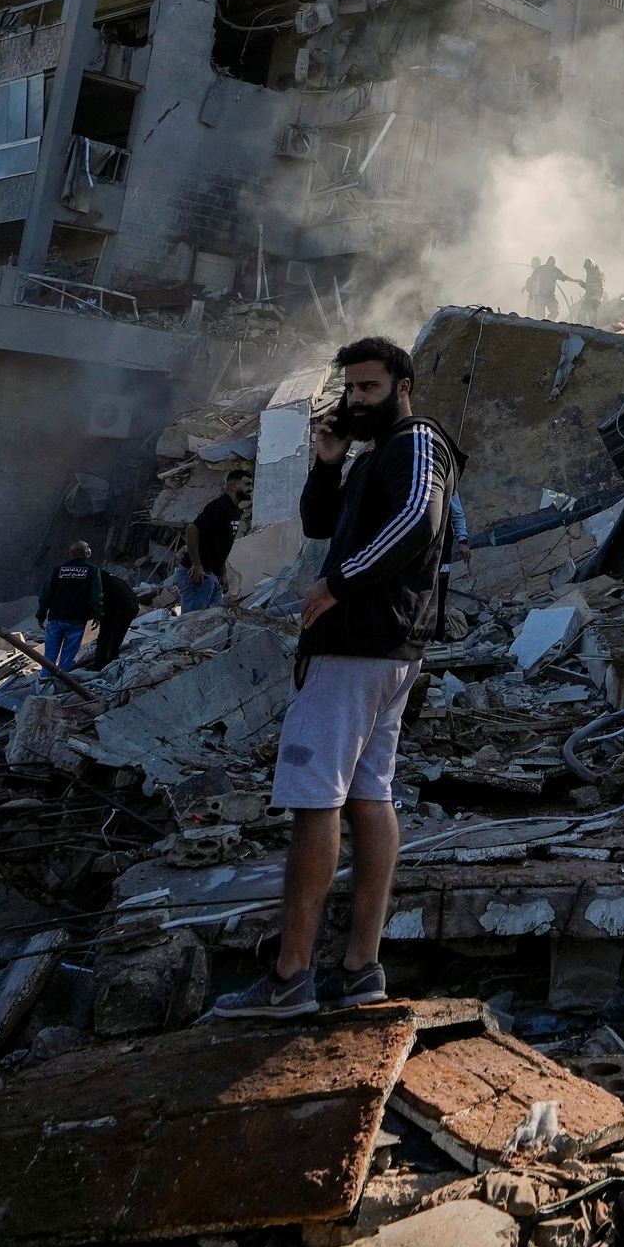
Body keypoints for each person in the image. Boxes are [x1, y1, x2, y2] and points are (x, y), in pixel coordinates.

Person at [216, 334, 451, 1019]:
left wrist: (338, 586)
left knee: (316, 800)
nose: (355, 399)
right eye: (349, 388)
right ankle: (359, 969)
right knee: (368, 795)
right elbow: (321, 524)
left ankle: (290, 976)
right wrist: (328, 462)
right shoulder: (376, 454)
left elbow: (418, 520)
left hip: (358, 645)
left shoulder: (416, 441)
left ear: (402, 387)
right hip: (380, 647)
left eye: (368, 387)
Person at [36, 541, 100, 673]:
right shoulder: (92, 571)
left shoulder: (58, 570)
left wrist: (41, 615)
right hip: (77, 620)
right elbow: (96, 595)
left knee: (50, 653)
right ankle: (62, 680)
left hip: (56, 618)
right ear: (87, 553)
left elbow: (46, 595)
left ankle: (44, 679)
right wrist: (97, 615)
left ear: (71, 554)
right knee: (68, 655)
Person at [183, 473, 244, 612]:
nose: (250, 488)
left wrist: (222, 572)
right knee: (193, 624)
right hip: (200, 575)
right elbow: (191, 530)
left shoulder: (234, 511)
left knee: (212, 622)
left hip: (214, 576)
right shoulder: (219, 506)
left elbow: (220, 546)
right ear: (234, 487)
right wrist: (197, 565)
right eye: (246, 484)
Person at [91, 565, 142, 671]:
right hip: (131, 606)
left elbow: (101, 600)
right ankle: (112, 660)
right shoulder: (112, 579)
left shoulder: (101, 583)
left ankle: (99, 665)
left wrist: (97, 615)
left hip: (118, 607)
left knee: (105, 636)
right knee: (118, 636)